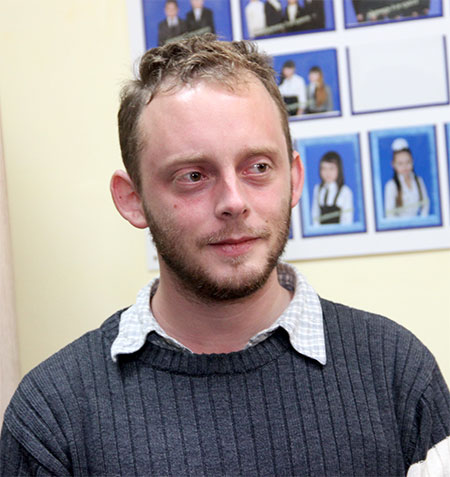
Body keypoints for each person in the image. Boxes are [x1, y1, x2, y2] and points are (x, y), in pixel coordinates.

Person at [1, 35, 449, 476]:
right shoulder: (52, 415)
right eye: (193, 175)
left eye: (258, 167)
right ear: (132, 199)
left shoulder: (397, 372)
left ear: (294, 178)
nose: (234, 202)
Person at [384, 137, 430, 218]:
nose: (405, 167)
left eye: (408, 162)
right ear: (393, 164)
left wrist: (422, 220)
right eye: (400, 163)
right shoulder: (391, 186)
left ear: (413, 162)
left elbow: (425, 204)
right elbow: (389, 215)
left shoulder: (419, 181)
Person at [311, 151, 354, 225]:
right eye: (324, 169)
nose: (327, 173)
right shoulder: (318, 189)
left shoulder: (345, 191)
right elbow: (315, 215)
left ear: (339, 169)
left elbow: (347, 219)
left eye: (331, 169)